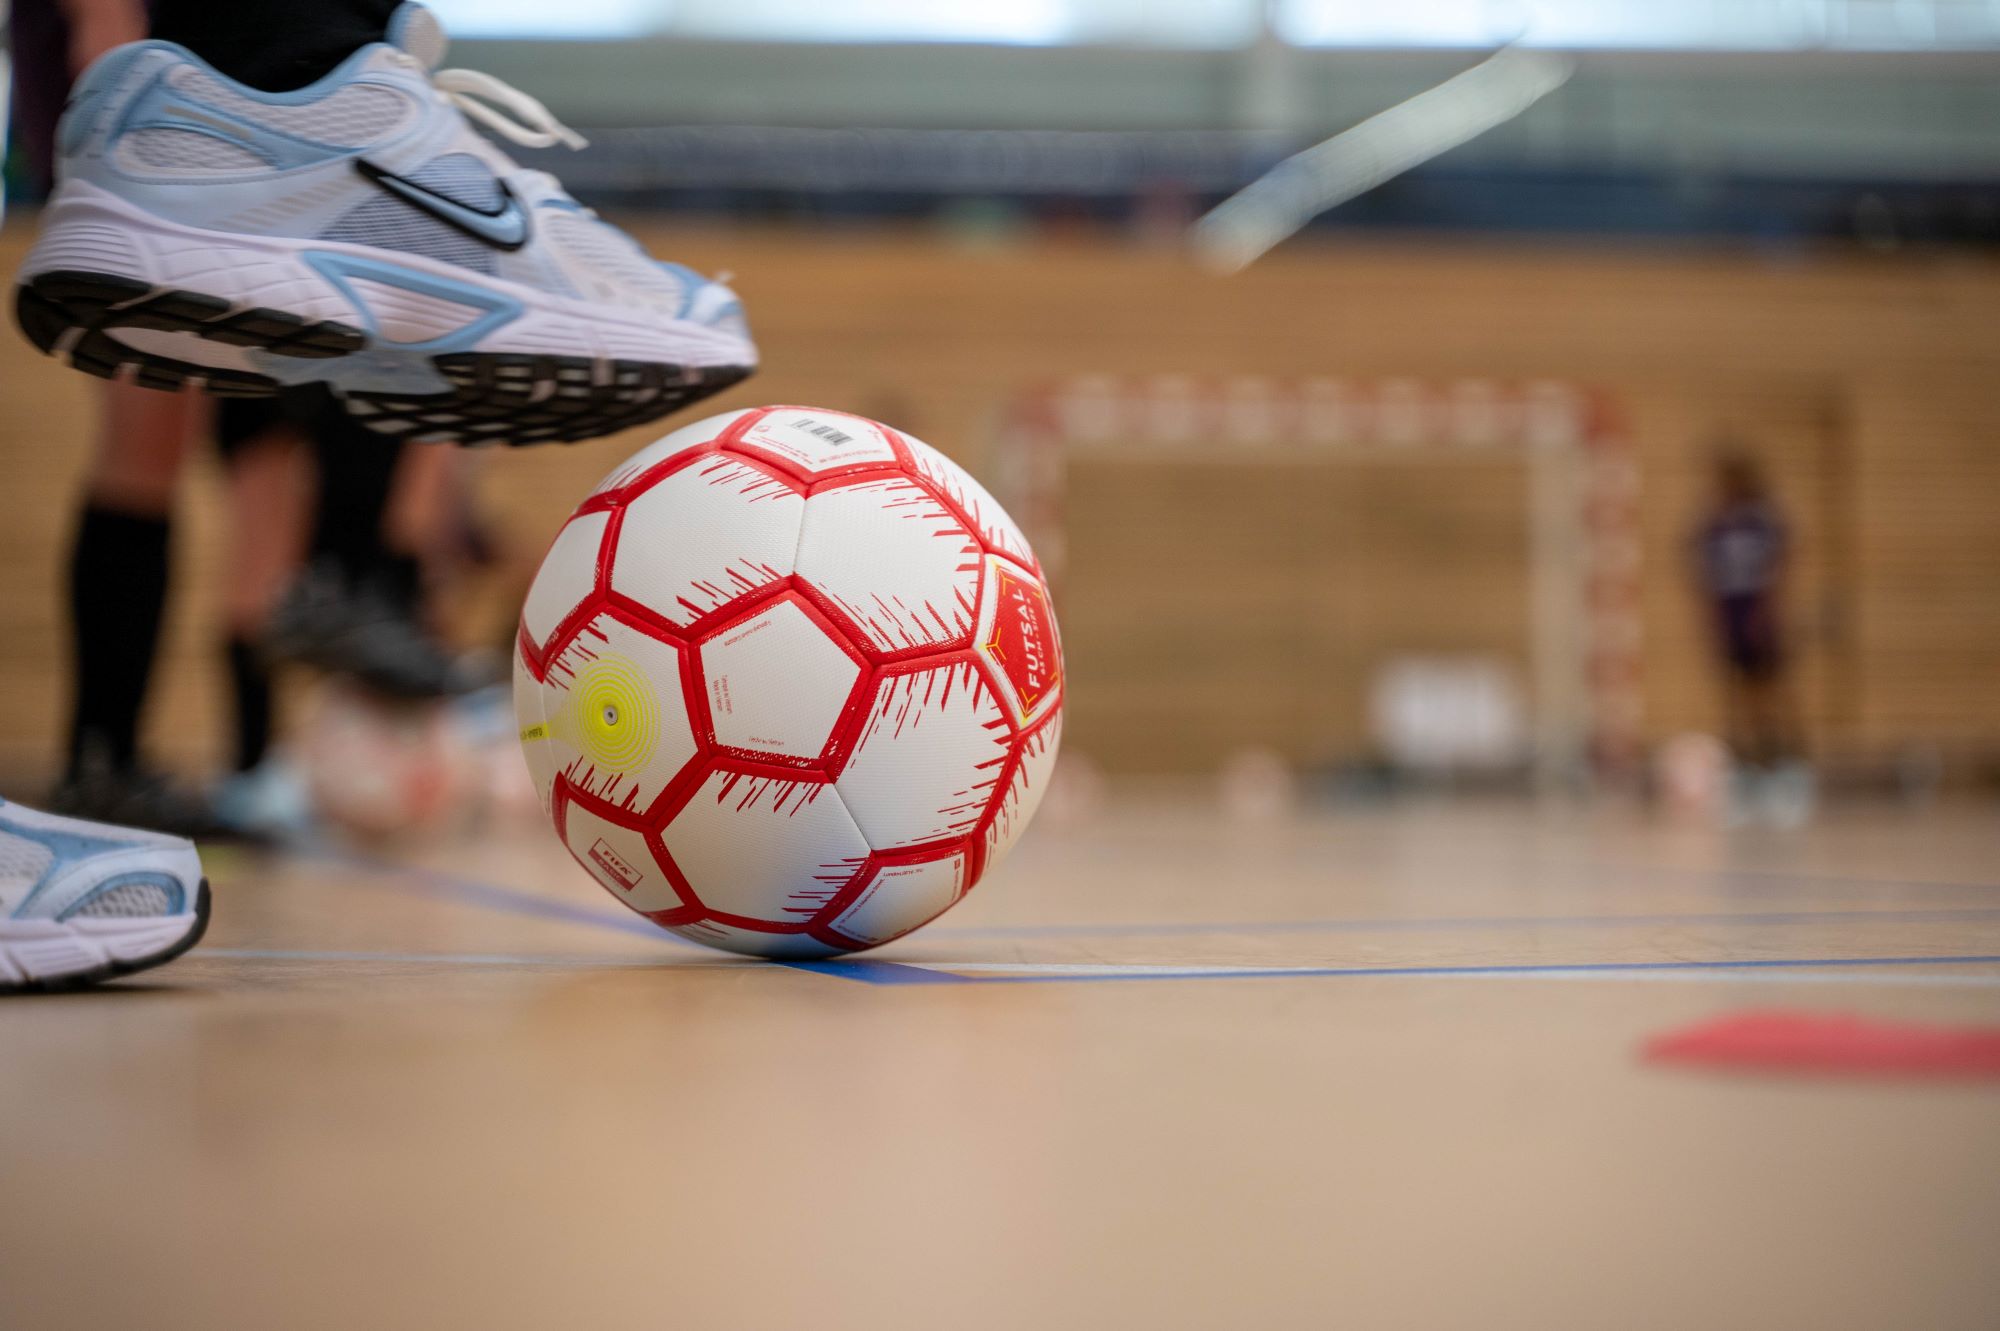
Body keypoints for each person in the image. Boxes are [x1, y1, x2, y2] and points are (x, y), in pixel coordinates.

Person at [5, 0, 758, 985]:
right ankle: (301, 95)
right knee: (221, 401)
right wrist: (113, 33)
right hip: (157, 65)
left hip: (163, 97)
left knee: (306, 368)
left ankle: (294, 646)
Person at [1691, 448, 1811, 820]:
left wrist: (1768, 610)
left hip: (1758, 612)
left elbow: (1781, 564)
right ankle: (1745, 768)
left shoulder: (1762, 519)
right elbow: (1702, 575)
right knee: (1736, 693)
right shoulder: (1714, 523)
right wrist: (1710, 618)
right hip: (1730, 615)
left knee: (1770, 692)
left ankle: (1789, 764)